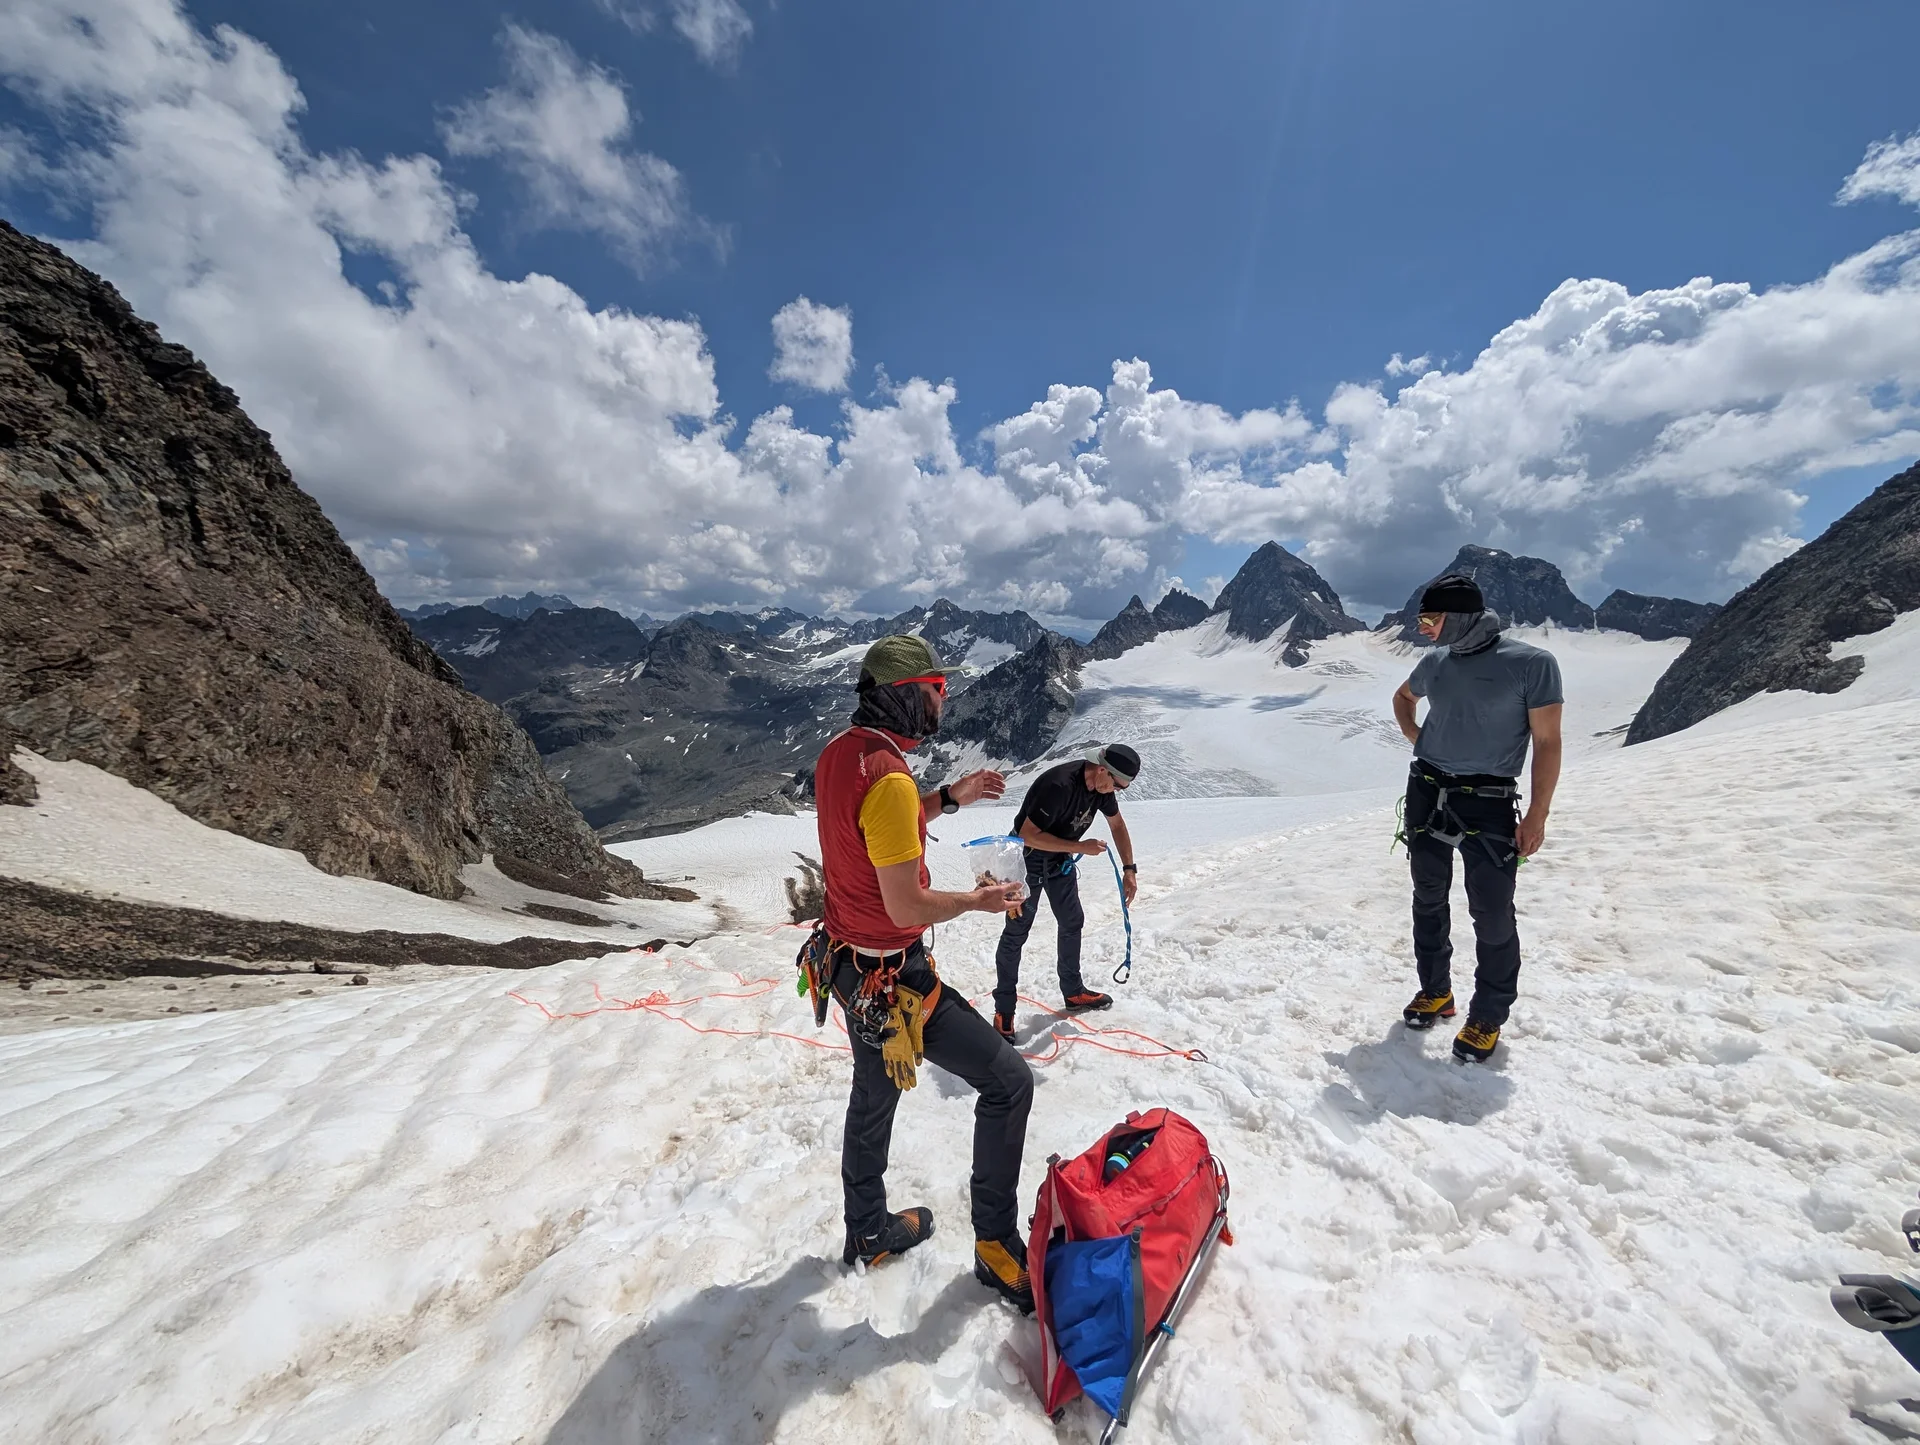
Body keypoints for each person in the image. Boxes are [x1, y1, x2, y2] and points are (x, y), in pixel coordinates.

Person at [813, 633, 1039, 1310]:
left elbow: (880, 821)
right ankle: (996, 1247)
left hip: (850, 969)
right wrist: (978, 899)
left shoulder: (842, 754)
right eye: (937, 692)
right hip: (894, 976)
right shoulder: (887, 777)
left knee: (873, 1097)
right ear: (910, 695)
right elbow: (905, 900)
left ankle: (868, 1229)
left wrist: (949, 796)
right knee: (1009, 1082)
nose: (944, 703)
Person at [1390, 574, 1562, 1062]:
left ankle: (1487, 1014)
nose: (1422, 627)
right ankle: (1436, 992)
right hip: (1427, 789)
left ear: (1459, 617)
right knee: (1428, 895)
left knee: (1490, 911)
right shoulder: (1437, 661)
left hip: (1488, 800)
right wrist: (1419, 740)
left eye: (1430, 618)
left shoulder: (1532, 664)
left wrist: (1537, 816)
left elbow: (1548, 741)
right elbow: (1404, 697)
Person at [990, 742, 1141, 1043]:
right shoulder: (1059, 785)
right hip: (1027, 861)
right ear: (1102, 770)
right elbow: (1027, 835)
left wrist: (1129, 868)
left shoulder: (1102, 788)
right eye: (1117, 786)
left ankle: (1073, 992)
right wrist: (1080, 847)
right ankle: (1004, 1010)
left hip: (1059, 862)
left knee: (1072, 921)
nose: (1116, 793)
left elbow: (1117, 824)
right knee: (1017, 932)